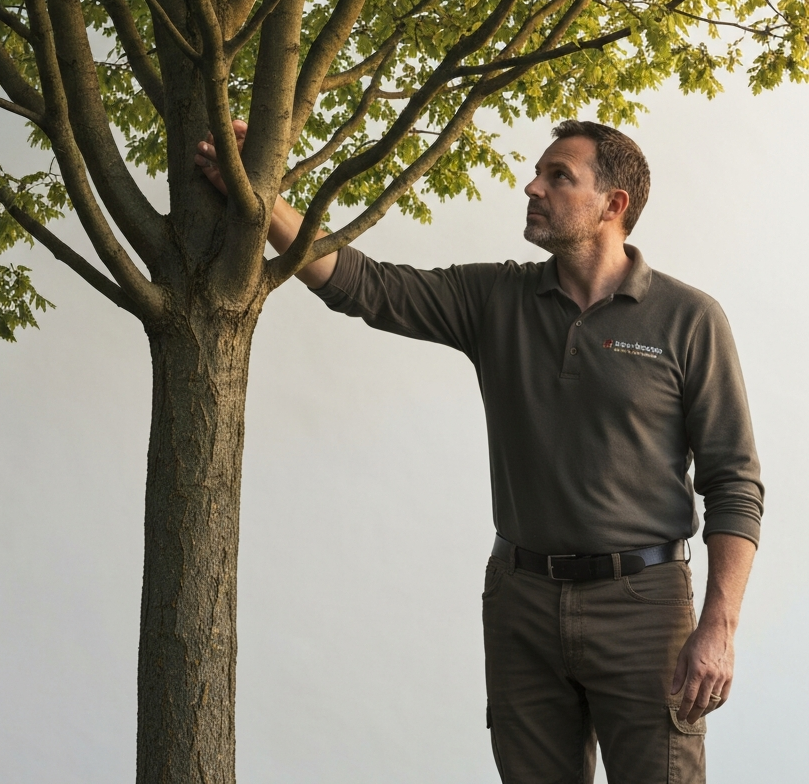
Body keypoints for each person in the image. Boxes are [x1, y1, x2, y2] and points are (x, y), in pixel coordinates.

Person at [196, 118, 763, 784]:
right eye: (538, 172)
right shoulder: (497, 298)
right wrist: (256, 188)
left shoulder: (689, 319)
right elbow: (364, 285)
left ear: (615, 206)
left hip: (645, 606)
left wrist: (719, 626)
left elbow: (734, 483)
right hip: (522, 603)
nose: (533, 186)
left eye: (559, 176)